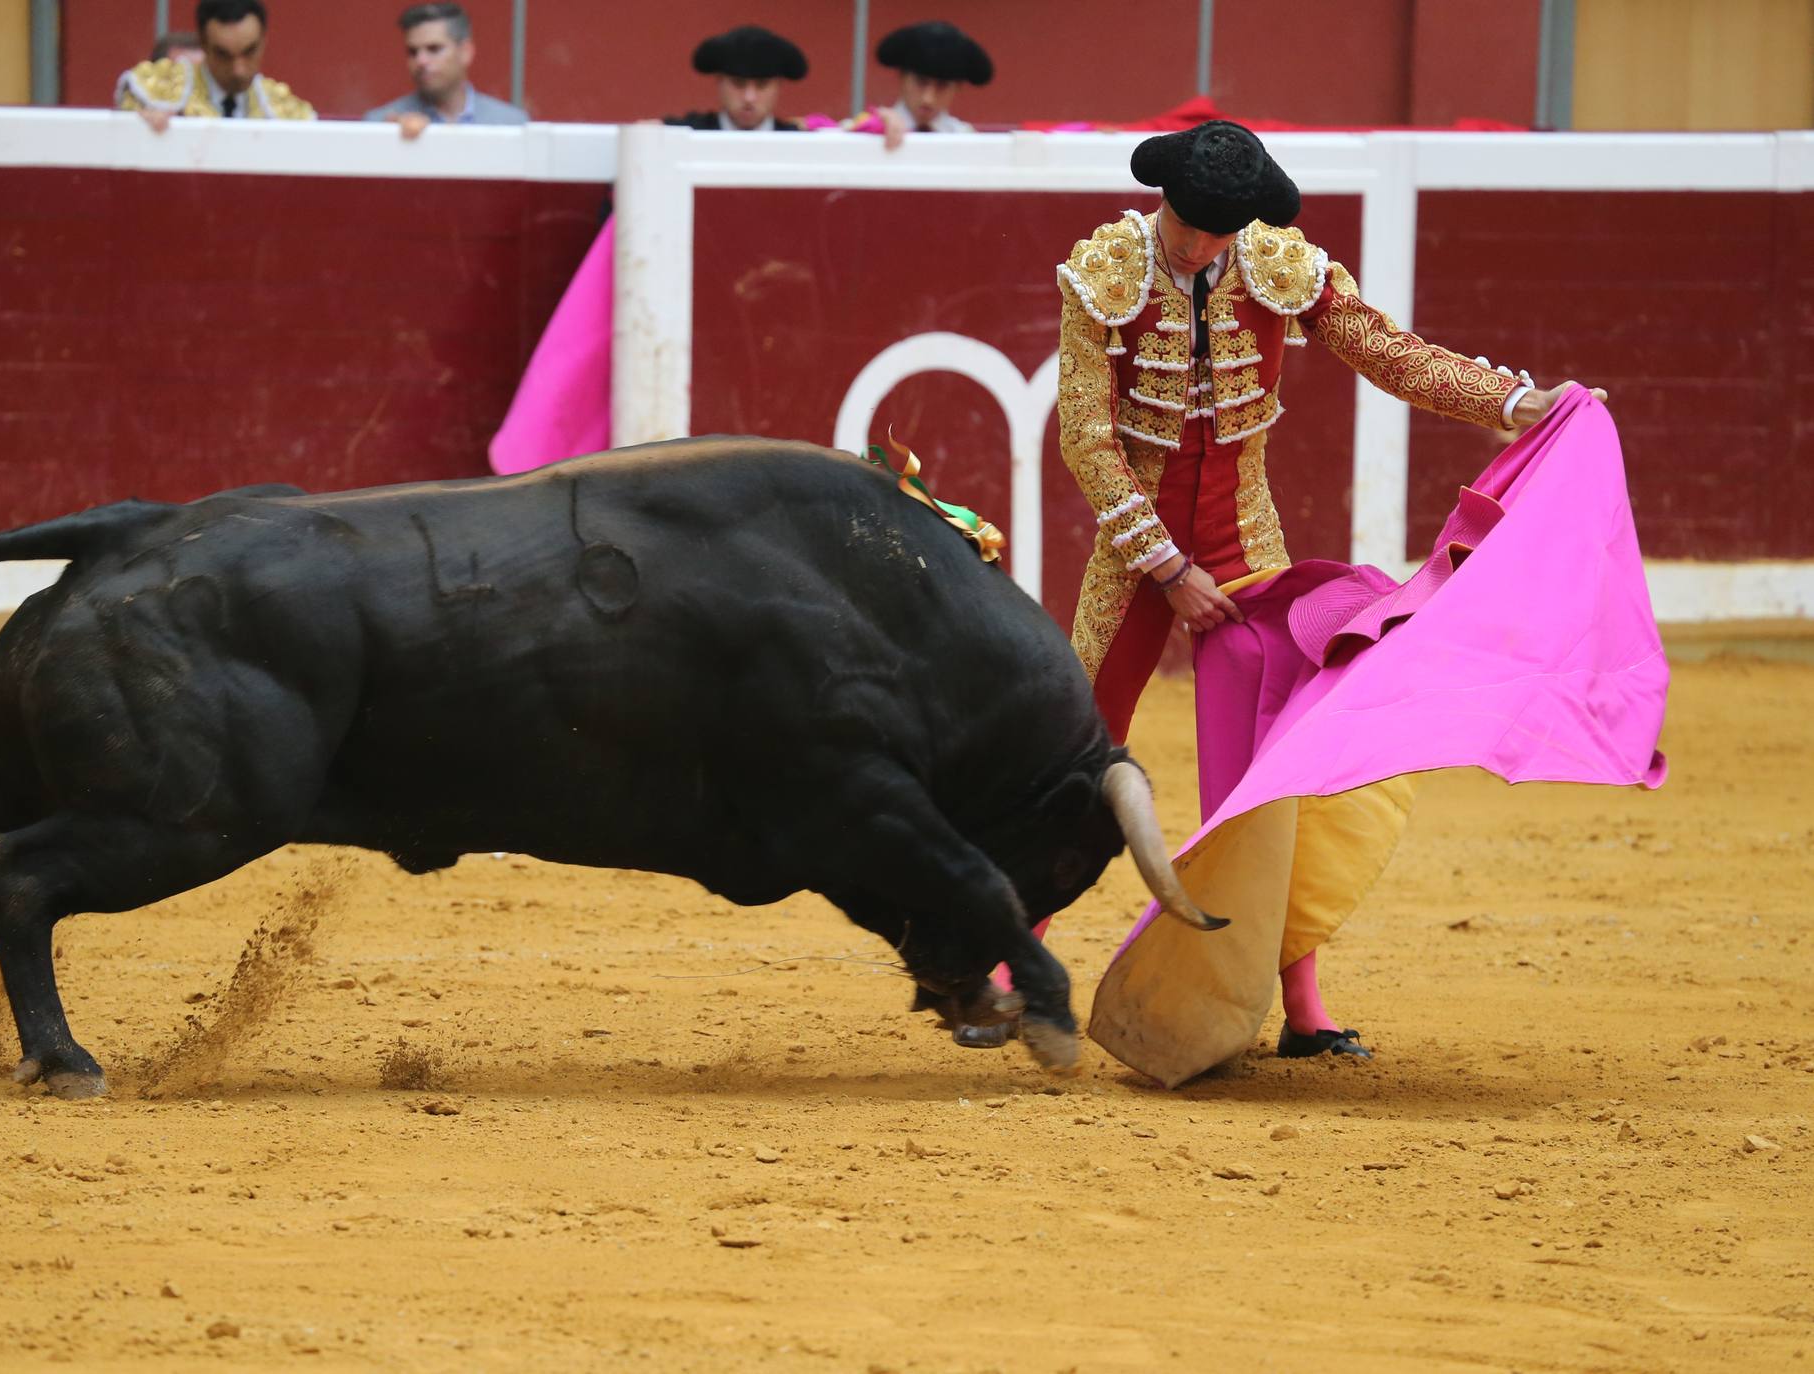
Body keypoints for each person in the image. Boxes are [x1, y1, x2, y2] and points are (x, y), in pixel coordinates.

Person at [958, 120, 1613, 1062]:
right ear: (1164, 202)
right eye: (1187, 226)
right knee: (1073, 750)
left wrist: (1512, 405)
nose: (1197, 247)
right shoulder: (1101, 274)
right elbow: (1087, 441)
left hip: (1245, 546)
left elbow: (1389, 353)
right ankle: (1019, 967)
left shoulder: (1280, 266)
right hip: (1137, 555)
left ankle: (1300, 1007)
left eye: (1217, 234)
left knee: (1280, 773)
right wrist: (1167, 569)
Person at [116, 0, 314, 131]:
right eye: (223, 55)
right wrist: (139, 127)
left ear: (264, 41)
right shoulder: (153, 94)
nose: (239, 69)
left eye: (249, 52)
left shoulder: (287, 115)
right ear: (202, 43)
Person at [810, 21, 991, 150]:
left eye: (942, 86)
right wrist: (873, 127)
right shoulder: (866, 129)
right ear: (902, 78)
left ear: (957, 88)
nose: (928, 98)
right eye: (921, 82)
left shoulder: (967, 140)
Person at [365, 3, 527, 138]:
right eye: (413, 52)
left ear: (465, 52)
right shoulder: (382, 125)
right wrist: (391, 143)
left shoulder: (511, 125)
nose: (420, 61)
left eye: (434, 49)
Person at [662, 25, 808, 131]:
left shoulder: (802, 144)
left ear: (779, 86)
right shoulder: (681, 135)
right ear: (719, 81)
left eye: (762, 85)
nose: (749, 98)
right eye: (738, 84)